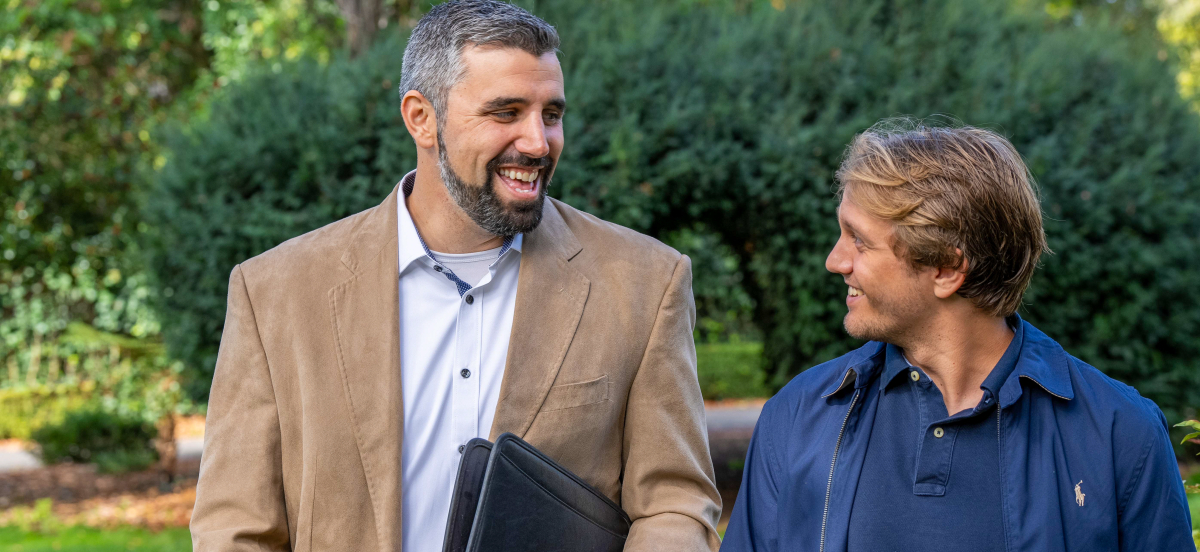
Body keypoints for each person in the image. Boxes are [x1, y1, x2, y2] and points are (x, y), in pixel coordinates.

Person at [189, 1, 721, 550]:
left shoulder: (645, 283)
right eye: (506, 112)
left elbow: (674, 504)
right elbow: (236, 527)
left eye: (552, 114)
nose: (539, 142)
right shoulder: (274, 292)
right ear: (421, 117)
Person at [721, 120, 1193, 552]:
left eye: (859, 240)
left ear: (947, 268)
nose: (835, 260)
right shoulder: (797, 417)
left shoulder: (1120, 434)